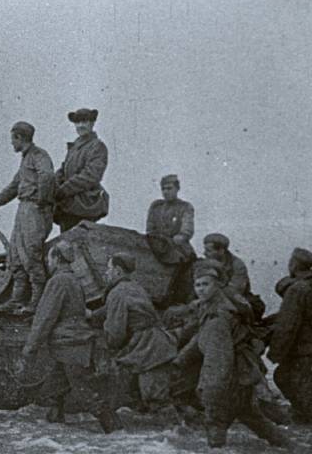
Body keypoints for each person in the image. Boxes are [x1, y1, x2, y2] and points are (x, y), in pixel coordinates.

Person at [176, 265, 291, 449]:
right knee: (253, 418)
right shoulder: (215, 308)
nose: (200, 289)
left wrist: (209, 391)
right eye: (197, 285)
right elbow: (201, 338)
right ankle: (293, 447)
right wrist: (181, 359)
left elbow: (217, 360)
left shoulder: (218, 317)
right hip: (242, 376)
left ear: (217, 286)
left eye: (205, 284)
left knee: (215, 424)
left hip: (227, 380)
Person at [20, 240, 123, 433]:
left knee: (85, 393)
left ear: (57, 258)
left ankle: (118, 433)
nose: (47, 262)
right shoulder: (74, 280)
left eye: (49, 258)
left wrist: (29, 349)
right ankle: (55, 430)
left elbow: (45, 317)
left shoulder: (58, 281)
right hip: (72, 345)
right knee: (53, 390)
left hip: (70, 346)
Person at [0, 121, 55, 314]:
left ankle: (36, 301)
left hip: (34, 210)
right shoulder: (27, 159)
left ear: (19, 138)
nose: (11, 144)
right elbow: (14, 186)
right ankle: (16, 299)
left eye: (12, 139)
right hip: (25, 209)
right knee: (16, 255)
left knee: (31, 254)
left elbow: (47, 176)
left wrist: (42, 200)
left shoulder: (39, 156)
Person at [103, 252, 178, 412]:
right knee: (156, 402)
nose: (106, 272)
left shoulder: (117, 292)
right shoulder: (136, 287)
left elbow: (116, 332)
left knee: (157, 404)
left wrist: (109, 345)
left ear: (117, 270)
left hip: (147, 349)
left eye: (108, 268)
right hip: (158, 344)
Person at [267, 248, 312, 424]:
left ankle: (305, 414)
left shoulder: (297, 289)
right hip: (307, 345)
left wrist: (275, 352)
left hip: (302, 346)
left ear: (293, 265)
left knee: (285, 377)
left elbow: (288, 324)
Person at [53, 108, 109, 232]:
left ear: (92, 123)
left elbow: (91, 175)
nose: (80, 126)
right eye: (77, 122)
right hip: (68, 204)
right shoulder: (74, 147)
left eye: (84, 122)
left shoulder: (97, 146)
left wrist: (64, 189)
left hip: (84, 204)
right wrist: (55, 183)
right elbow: (63, 169)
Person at [146, 174, 196, 308]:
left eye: (169, 188)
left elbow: (187, 230)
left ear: (177, 189)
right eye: (163, 189)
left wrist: (181, 236)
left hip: (177, 246)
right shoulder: (156, 206)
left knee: (182, 270)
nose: (166, 192)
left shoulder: (185, 207)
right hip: (158, 245)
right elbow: (150, 228)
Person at [203, 233, 265, 321]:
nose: (204, 253)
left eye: (209, 251)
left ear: (221, 251)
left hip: (234, 297)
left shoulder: (237, 265)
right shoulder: (206, 263)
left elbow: (235, 289)